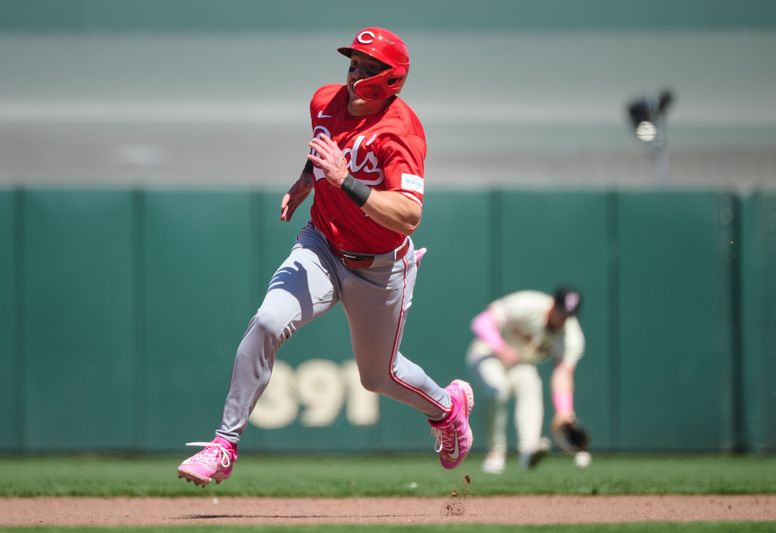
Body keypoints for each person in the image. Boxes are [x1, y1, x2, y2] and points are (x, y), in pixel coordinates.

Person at [177, 27, 474, 487]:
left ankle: (447, 409)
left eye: (368, 66)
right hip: (322, 245)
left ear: (391, 79)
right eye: (353, 62)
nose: (355, 72)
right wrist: (306, 181)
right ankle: (223, 445)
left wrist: (342, 181)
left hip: (380, 267)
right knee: (270, 321)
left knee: (378, 378)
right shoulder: (324, 100)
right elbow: (325, 148)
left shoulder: (402, 133)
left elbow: (409, 215)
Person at [467, 286, 585, 474]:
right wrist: (501, 348)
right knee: (497, 390)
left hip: (520, 363)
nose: (563, 318)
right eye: (561, 311)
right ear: (554, 304)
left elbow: (563, 374)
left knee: (531, 385)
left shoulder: (571, 336)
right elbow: (480, 323)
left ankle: (528, 450)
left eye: (568, 314)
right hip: (488, 353)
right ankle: (495, 453)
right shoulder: (529, 304)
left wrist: (564, 411)